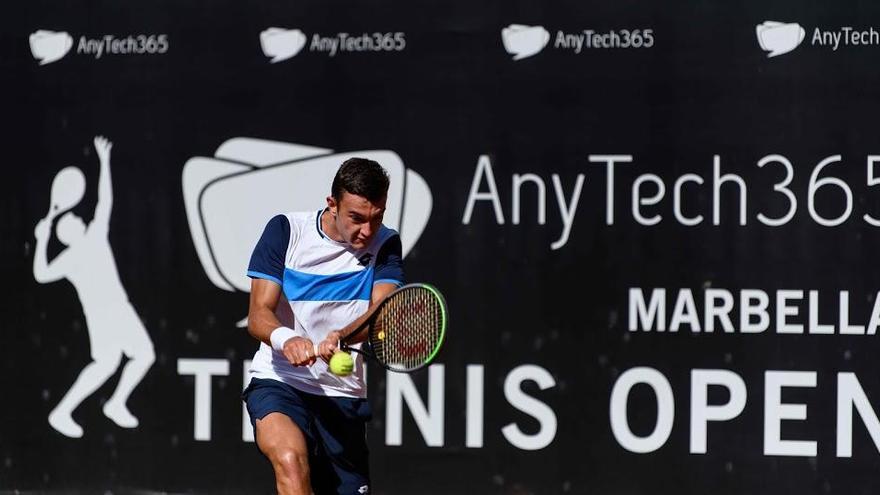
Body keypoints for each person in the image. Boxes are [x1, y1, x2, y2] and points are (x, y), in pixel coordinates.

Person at [243, 157, 404, 495]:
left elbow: (382, 312)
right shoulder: (287, 231)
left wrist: (341, 336)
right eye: (357, 218)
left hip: (341, 393)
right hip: (280, 380)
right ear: (332, 204)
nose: (367, 231)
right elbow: (259, 315)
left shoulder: (386, 244)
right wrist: (287, 339)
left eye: (377, 218)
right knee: (289, 459)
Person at [33, 136, 156, 438]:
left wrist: (41, 241)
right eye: (74, 218)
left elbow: (41, 272)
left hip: (103, 316)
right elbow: (105, 201)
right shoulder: (89, 242)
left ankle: (69, 409)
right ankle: (108, 403)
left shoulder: (72, 253)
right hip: (111, 312)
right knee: (142, 355)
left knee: (107, 364)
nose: (78, 216)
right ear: (70, 232)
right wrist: (104, 162)